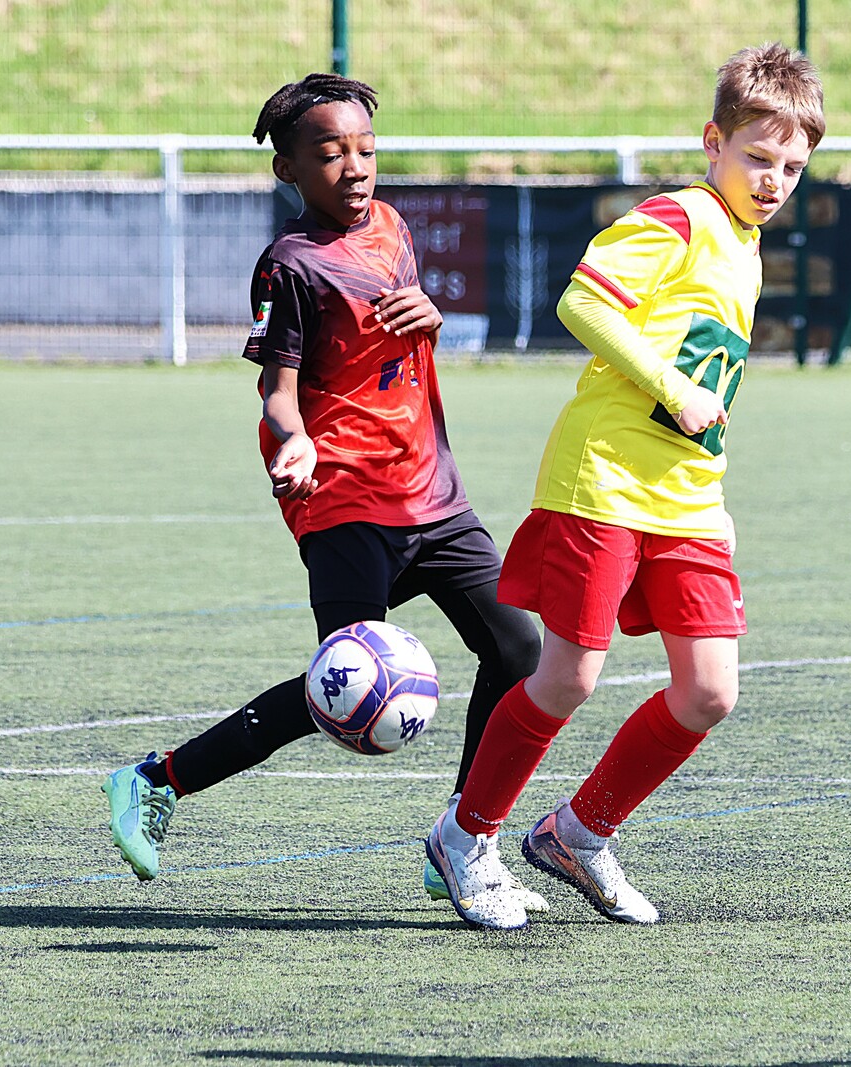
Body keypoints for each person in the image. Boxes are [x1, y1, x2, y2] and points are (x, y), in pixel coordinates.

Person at [99, 73, 545, 914]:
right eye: (331, 153)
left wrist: (432, 318)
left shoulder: (394, 227)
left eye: (365, 149)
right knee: (340, 687)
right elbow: (277, 390)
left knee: (521, 651)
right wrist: (294, 438)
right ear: (290, 170)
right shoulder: (290, 265)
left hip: (434, 493)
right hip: (344, 497)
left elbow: (402, 338)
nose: (355, 167)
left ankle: (464, 837)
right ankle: (157, 779)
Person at [421, 44, 824, 931]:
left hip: (689, 498)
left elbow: (708, 375)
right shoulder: (680, 215)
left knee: (710, 690)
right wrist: (671, 387)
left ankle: (577, 832)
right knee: (568, 676)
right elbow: (582, 302)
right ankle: (464, 835)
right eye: (758, 157)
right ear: (713, 141)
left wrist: (710, 467)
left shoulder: (746, 244)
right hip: (602, 479)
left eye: (792, 167)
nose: (774, 181)